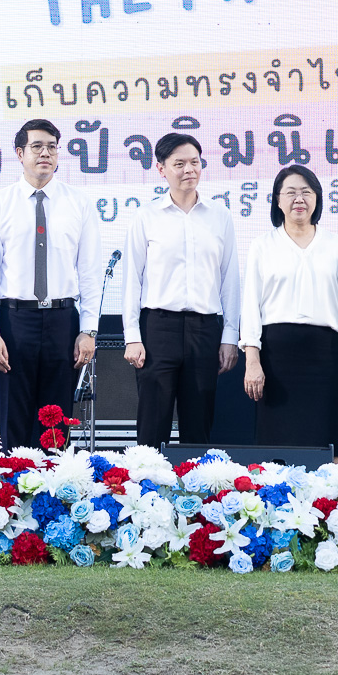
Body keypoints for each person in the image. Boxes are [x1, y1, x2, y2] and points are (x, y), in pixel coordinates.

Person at [0, 117, 103, 450]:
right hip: (15, 320)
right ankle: (12, 479)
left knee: (57, 422)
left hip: (63, 319)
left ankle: (58, 480)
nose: (45, 153)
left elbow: (89, 272)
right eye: (37, 146)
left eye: (52, 147)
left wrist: (88, 330)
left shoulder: (79, 203)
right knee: (13, 419)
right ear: (20, 154)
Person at [122, 132, 240, 448]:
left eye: (195, 162)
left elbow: (230, 279)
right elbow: (132, 279)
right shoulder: (146, 216)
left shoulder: (220, 216)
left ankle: (196, 479)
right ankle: (147, 478)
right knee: (153, 422)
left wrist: (230, 336)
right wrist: (132, 336)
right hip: (158, 327)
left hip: (204, 328)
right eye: (179, 164)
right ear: (161, 169)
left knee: (198, 423)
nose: (189, 170)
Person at [240, 163, 338, 448]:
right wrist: (252, 361)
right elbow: (250, 307)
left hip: (323, 356)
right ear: (277, 200)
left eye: (306, 192)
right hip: (276, 356)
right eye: (291, 192)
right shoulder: (262, 245)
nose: (299, 199)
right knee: (275, 441)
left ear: (317, 198)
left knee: (322, 438)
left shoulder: (335, 245)